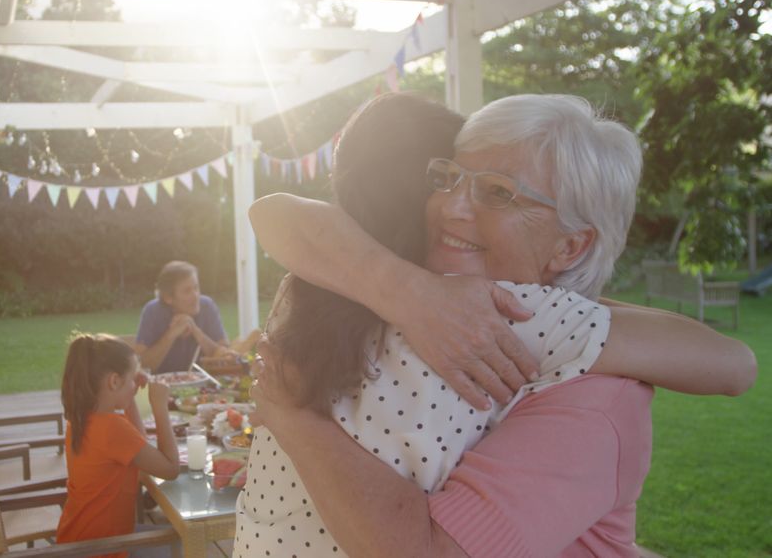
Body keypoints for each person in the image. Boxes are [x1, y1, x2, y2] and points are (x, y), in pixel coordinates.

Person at [245, 94, 756, 557]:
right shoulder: (394, 289)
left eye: (497, 192)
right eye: (447, 178)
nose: (450, 204)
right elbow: (732, 363)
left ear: (570, 245)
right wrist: (412, 293)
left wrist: (293, 419)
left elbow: (734, 365)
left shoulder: (590, 389)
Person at [56, 333, 179, 558]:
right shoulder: (112, 428)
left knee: (176, 538)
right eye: (132, 377)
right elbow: (170, 469)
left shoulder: (86, 418)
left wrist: (129, 395)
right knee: (185, 541)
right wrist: (161, 407)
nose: (136, 383)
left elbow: (139, 447)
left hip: (78, 541)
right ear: (114, 381)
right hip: (102, 550)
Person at [135, 260, 232, 374]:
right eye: (187, 291)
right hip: (162, 387)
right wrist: (172, 334)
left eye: (196, 288)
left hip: (204, 386)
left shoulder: (207, 306)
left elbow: (224, 357)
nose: (195, 295)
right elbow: (142, 365)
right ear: (168, 298)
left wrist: (196, 331)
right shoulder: (153, 311)